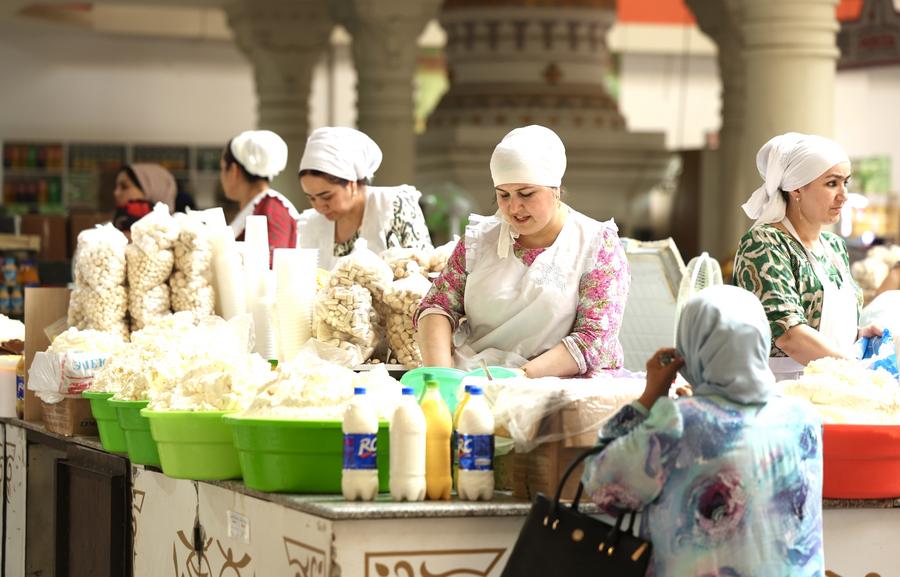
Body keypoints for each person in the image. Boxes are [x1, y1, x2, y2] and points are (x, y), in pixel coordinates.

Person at [582, 285, 824, 577]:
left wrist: (649, 400)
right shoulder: (802, 418)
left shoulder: (678, 422)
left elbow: (602, 487)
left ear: (689, 348)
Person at [414, 125, 630, 377]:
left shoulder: (594, 245)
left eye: (526, 194)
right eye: (503, 195)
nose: (514, 207)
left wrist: (519, 378)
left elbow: (594, 339)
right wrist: (440, 377)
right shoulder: (479, 241)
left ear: (555, 190)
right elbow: (437, 307)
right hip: (477, 378)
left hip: (563, 384)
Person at [734, 132, 880, 381]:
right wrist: (853, 370)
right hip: (784, 388)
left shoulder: (833, 247)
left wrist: (856, 335)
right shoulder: (765, 243)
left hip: (834, 380)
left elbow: (821, 321)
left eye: (846, 182)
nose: (843, 195)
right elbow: (789, 335)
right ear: (796, 188)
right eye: (832, 183)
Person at [297, 127, 432, 270]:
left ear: (351, 183)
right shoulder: (311, 224)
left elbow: (425, 269)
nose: (319, 206)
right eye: (311, 198)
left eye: (327, 197)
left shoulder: (393, 206)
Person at [222, 130, 300, 253]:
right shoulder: (260, 206)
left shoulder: (272, 210)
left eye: (222, 168)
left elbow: (271, 263)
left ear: (233, 170)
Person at [112, 163, 176, 233]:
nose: (116, 193)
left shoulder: (180, 237)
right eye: (116, 187)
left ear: (153, 189)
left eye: (124, 187)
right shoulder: (111, 229)